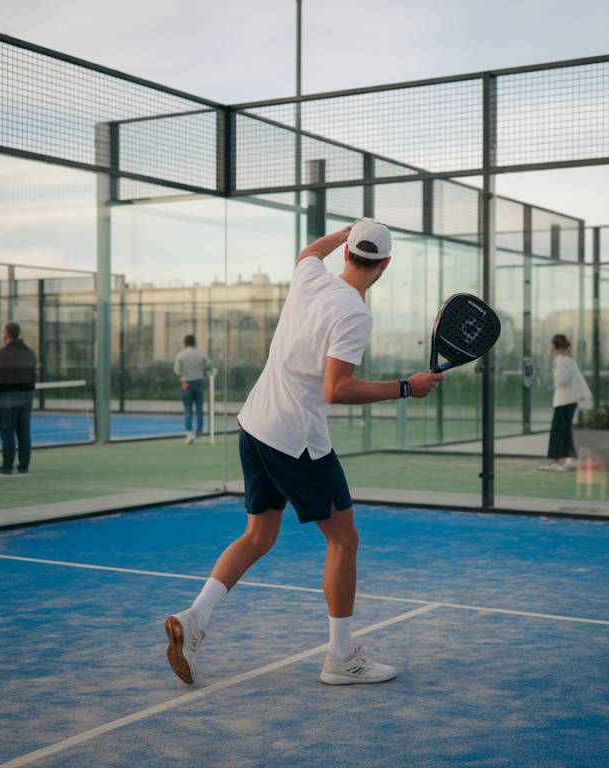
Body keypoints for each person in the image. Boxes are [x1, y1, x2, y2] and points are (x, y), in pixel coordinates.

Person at [165, 219, 443, 687]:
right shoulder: (354, 314)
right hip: (296, 440)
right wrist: (404, 387)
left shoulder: (310, 276)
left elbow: (309, 251)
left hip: (254, 424)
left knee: (258, 536)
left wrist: (343, 231)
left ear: (347, 252)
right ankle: (340, 658)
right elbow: (337, 389)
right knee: (343, 540)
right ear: (386, 265)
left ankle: (195, 618)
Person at [539, 334, 592, 472]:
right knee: (565, 430)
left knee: (558, 431)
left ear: (555, 346)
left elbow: (561, 381)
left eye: (551, 344)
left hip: (563, 401)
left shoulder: (560, 360)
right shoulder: (570, 360)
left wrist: (555, 375)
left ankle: (556, 461)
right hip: (571, 401)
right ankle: (567, 460)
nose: (550, 347)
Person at [0, 321, 37, 476]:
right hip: (26, 396)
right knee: (24, 432)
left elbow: (0, 378)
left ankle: (7, 466)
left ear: (7, 333)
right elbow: (33, 376)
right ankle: (23, 465)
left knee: (7, 432)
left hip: (8, 397)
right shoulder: (30, 352)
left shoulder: (3, 353)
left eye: (2, 331)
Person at [174, 334, 212, 444]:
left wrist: (185, 373)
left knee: (187, 409)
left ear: (185, 342)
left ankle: (189, 432)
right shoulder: (201, 354)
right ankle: (199, 432)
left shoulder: (181, 355)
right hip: (199, 381)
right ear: (195, 342)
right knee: (199, 408)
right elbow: (209, 364)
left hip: (186, 382)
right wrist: (201, 370)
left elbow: (177, 370)